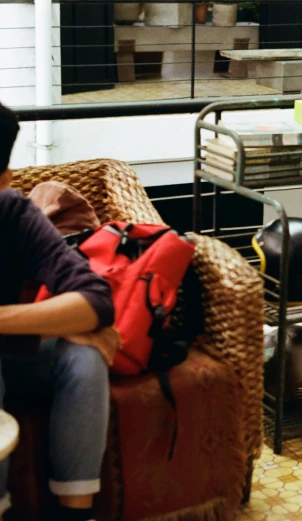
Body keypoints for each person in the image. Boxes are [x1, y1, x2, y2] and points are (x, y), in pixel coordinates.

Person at [0, 103, 121, 521]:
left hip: (13, 356)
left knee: (84, 359)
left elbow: (94, 299)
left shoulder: (13, 214)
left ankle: (74, 516)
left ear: (3, 180)